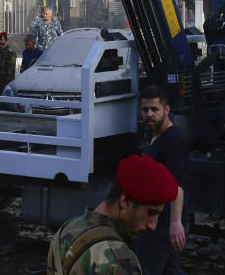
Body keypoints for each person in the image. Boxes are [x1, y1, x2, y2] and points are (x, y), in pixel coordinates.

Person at [47, 154, 180, 275]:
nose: (153, 225)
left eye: (158, 216)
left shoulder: (66, 230)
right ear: (125, 201)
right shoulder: (120, 262)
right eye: (151, 213)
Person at [136, 86, 189, 275]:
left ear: (166, 110)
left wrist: (175, 223)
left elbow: (177, 185)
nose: (149, 114)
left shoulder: (173, 140)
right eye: (145, 110)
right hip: (159, 222)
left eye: (154, 109)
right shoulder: (157, 136)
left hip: (163, 224)